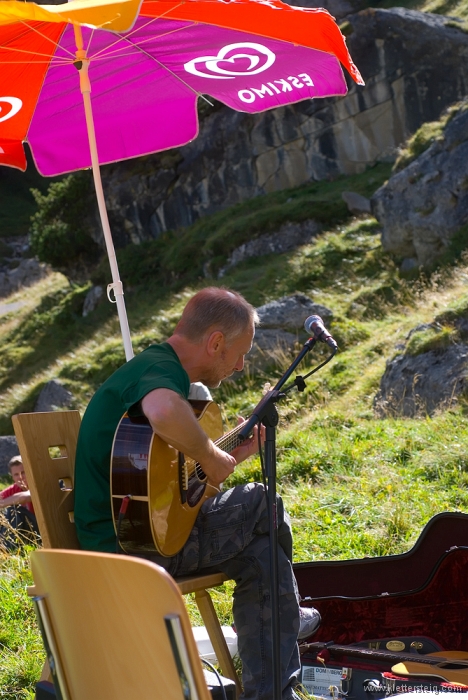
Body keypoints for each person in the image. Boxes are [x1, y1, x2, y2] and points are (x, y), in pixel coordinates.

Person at [74, 287, 320, 700]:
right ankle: (288, 616)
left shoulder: (154, 368)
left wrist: (228, 457)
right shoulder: (160, 372)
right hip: (127, 550)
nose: (241, 366)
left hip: (145, 534)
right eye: (240, 353)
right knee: (263, 501)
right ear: (216, 342)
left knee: (261, 556)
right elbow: (165, 413)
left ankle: (273, 695)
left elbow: (162, 492)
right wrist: (209, 453)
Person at [0, 455, 40, 549]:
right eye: (16, 474)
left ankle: (7, 549)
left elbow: (24, 497)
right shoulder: (14, 489)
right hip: (25, 533)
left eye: (23, 472)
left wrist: (3, 503)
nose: (20, 477)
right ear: (12, 477)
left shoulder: (37, 484)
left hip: (40, 530)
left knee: (14, 511)